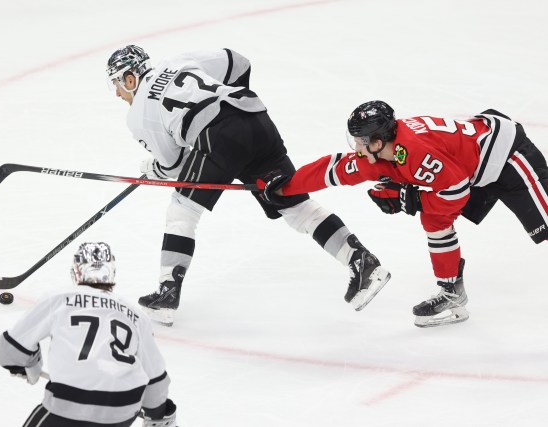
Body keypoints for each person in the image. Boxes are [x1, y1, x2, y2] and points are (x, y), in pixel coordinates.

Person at [106, 46, 391, 326]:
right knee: (292, 204)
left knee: (182, 210)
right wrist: (230, 108)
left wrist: (156, 168)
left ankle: (167, 293)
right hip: (255, 116)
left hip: (218, 136)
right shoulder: (178, 60)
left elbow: (175, 168)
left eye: (118, 84)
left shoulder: (138, 115)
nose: (118, 93)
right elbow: (238, 62)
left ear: (131, 78)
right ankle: (362, 261)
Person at [265, 100, 548, 328]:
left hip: (507, 155)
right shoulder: (379, 154)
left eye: (361, 141)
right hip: (470, 167)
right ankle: (452, 291)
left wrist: (412, 200)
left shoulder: (414, 152)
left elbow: (456, 193)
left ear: (377, 141)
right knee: (435, 220)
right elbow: (336, 170)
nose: (357, 148)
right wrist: (286, 188)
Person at [0, 242, 178, 427]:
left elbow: (9, 350)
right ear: (111, 272)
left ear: (76, 271)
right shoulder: (136, 315)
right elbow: (156, 378)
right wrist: (157, 413)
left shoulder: (60, 298)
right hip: (124, 408)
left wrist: (29, 363)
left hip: (71, 401)